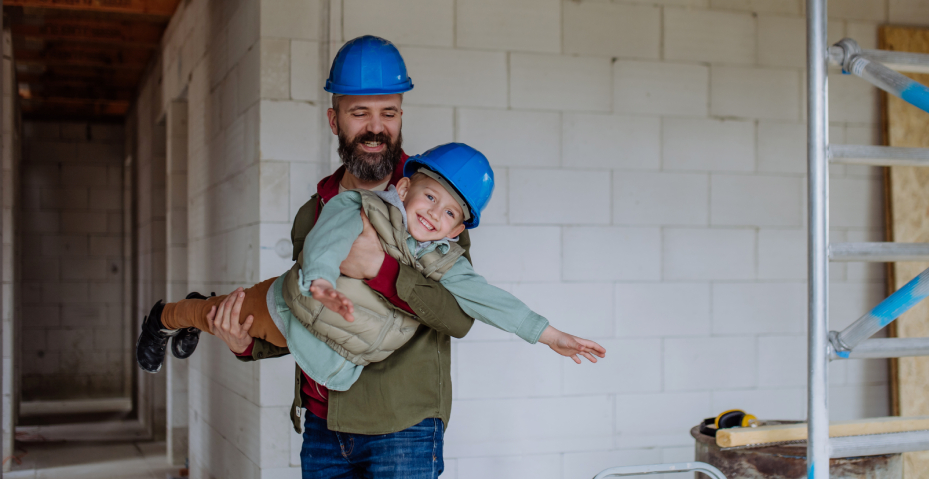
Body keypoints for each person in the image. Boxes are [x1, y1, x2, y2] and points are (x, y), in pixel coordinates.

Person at [136, 143, 606, 390]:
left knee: (227, 319)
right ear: (403, 190)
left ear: (458, 229)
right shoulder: (365, 210)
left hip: (330, 350)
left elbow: (486, 302)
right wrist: (319, 280)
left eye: (450, 214)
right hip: (289, 307)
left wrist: (549, 334)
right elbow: (330, 236)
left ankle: (195, 313)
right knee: (220, 314)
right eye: (430, 197)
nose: (434, 215)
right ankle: (166, 317)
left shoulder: (446, 261)